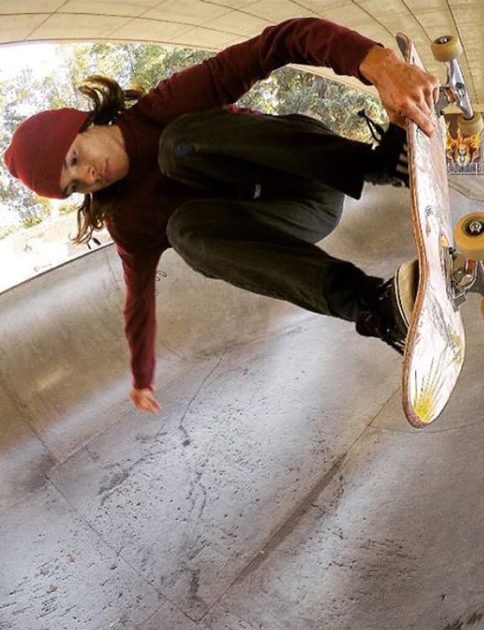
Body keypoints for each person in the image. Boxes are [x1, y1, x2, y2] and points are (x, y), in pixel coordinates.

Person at [4, 17, 439, 414]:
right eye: (75, 185)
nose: (88, 176)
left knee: (176, 144)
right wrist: (142, 378)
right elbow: (137, 299)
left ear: (84, 124)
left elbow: (279, 42)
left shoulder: (166, 104)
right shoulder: (127, 221)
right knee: (184, 232)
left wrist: (376, 64)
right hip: (295, 217)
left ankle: (382, 164)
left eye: (75, 158)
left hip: (312, 171)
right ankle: (374, 307)